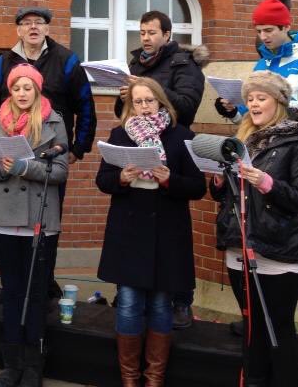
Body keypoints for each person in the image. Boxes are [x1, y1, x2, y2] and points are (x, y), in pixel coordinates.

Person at [216, 0, 298, 351]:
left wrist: (287, 104)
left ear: (287, 27)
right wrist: (234, 106)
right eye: (258, 30)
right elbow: (257, 111)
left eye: (269, 30)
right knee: (256, 236)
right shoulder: (262, 62)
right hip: (263, 162)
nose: (263, 36)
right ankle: (257, 315)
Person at [210, 71, 298, 387]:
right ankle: (253, 380)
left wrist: (266, 182)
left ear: (278, 102)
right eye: (250, 98)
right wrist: (218, 180)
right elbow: (224, 195)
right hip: (238, 244)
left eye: (261, 98)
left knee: (278, 326)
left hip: (278, 250)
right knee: (251, 323)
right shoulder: (241, 138)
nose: (254, 104)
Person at [0, 6, 95, 299]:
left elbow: (85, 105)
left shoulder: (66, 59)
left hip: (48, 153)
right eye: (26, 23)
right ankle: (9, 284)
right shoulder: (1, 62)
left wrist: (78, 149)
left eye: (39, 23)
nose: (33, 27)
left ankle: (43, 282)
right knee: (5, 223)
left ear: (47, 28)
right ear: (18, 30)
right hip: (6, 155)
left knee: (46, 220)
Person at [98, 77, 205, 387]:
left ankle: (154, 378)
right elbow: (102, 181)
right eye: (138, 102)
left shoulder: (182, 136)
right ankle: (130, 379)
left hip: (167, 231)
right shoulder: (119, 134)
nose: (144, 107)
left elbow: (197, 187)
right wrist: (122, 177)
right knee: (129, 301)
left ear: (161, 102)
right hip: (129, 230)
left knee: (161, 303)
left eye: (149, 100)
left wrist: (171, 180)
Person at [112, 10, 208, 329]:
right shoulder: (137, 63)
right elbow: (123, 112)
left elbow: (189, 105)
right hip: (140, 145)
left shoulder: (184, 63)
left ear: (167, 35)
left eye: (152, 32)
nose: (146, 38)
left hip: (173, 143)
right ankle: (132, 289)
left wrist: (151, 91)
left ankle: (181, 301)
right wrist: (127, 95)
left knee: (173, 240)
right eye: (141, 32)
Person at [0, 64, 69, 387]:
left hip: (38, 218)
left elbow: (59, 172)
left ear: (37, 91)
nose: (21, 94)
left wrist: (25, 167)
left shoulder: (55, 121)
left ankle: (34, 366)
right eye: (16, 88)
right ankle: (11, 364)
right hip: (4, 218)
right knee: (12, 292)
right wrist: (5, 169)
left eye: (27, 88)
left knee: (34, 294)